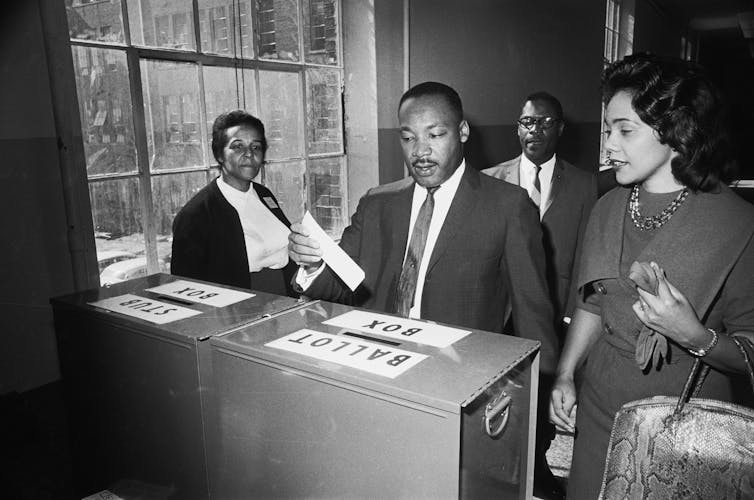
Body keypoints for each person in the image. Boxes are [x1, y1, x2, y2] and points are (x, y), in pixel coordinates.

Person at [549, 52, 754, 499]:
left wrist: (695, 335)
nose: (609, 145)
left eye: (625, 130)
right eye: (608, 130)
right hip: (600, 405)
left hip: (683, 420)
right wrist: (565, 374)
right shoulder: (607, 207)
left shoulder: (738, 225)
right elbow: (592, 300)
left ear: (676, 130)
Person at [288, 81, 558, 373]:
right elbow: (342, 286)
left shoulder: (508, 206)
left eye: (436, 134)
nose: (420, 151)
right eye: (408, 138)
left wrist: (539, 389)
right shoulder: (377, 203)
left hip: (458, 374)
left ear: (463, 131)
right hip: (375, 363)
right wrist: (313, 264)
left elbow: (532, 313)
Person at [483, 91, 595, 499]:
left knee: (546, 393)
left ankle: (540, 464)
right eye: (527, 122)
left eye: (545, 122)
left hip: (555, 315)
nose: (534, 131)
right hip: (501, 314)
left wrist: (570, 315)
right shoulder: (491, 178)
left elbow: (586, 254)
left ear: (560, 129)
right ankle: (502, 462)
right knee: (500, 393)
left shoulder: (584, 186)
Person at [171, 110, 297, 296]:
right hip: (236, 309)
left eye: (256, 147)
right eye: (238, 147)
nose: (248, 154)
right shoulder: (195, 214)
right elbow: (185, 287)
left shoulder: (264, 195)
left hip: (285, 298)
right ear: (219, 154)